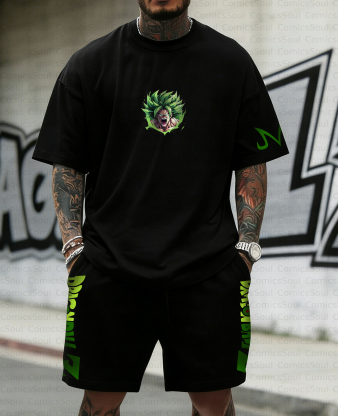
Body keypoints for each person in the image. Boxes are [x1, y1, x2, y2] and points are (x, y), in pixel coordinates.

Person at [32, 0, 289, 414]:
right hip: (110, 269)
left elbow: (252, 164)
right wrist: (74, 249)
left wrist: (246, 249)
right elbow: (67, 166)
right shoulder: (90, 65)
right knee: (100, 402)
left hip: (208, 269)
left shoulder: (230, 62)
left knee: (214, 403)